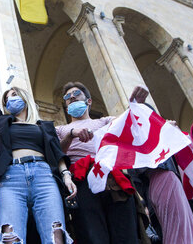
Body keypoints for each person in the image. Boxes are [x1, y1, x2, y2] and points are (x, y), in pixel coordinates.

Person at [0, 61, 76, 244]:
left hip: (44, 177)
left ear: (25, 99)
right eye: (7, 99)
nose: (10, 99)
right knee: (10, 238)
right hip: (11, 179)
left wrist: (66, 176)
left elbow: (57, 153)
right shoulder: (3, 123)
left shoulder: (44, 126)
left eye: (14, 94)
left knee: (55, 236)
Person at [55, 81, 148, 244]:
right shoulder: (60, 130)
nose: (71, 98)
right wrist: (71, 134)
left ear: (88, 101)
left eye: (76, 94)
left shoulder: (104, 121)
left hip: (113, 179)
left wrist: (135, 106)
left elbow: (126, 123)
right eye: (67, 97)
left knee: (125, 233)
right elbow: (56, 154)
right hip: (81, 182)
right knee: (92, 234)